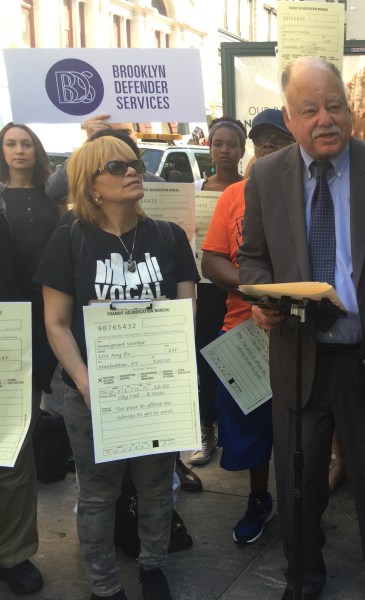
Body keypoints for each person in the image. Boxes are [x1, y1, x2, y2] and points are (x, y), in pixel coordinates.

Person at [237, 56, 365, 600]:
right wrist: (262, 302)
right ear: (289, 117)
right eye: (310, 109)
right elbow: (254, 260)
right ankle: (303, 580)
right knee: (299, 483)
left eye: (334, 105)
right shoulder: (262, 176)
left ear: (350, 110)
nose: (325, 118)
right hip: (299, 355)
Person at [36, 135, 198, 600]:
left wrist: (173, 376)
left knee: (155, 485)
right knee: (98, 491)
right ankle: (105, 585)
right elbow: (57, 324)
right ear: (91, 184)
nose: (134, 171)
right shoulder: (69, 238)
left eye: (135, 164)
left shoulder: (168, 237)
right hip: (92, 392)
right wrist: (88, 385)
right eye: (118, 166)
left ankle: (153, 566)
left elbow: (184, 314)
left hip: (155, 387)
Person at [200, 109, 294, 545]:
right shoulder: (233, 195)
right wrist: (259, 288)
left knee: (301, 427)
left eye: (278, 138)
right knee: (251, 429)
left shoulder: (309, 190)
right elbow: (212, 260)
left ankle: (303, 503)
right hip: (243, 329)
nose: (269, 146)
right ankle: (259, 498)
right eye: (262, 140)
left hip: (302, 329)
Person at [0, 121, 59, 596]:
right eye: (10, 143)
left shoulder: (51, 198)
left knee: (16, 450)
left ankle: (14, 553)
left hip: (25, 336)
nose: (19, 150)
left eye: (26, 143)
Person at [189, 117, 247, 467]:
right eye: (218, 144)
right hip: (203, 288)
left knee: (237, 361)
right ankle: (206, 430)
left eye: (232, 144)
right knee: (205, 359)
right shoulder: (193, 190)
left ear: (242, 150)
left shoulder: (250, 189)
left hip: (238, 292)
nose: (224, 150)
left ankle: (235, 433)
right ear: (209, 147)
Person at [45, 114, 162, 206]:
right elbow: (55, 192)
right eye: (109, 134)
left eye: (125, 133)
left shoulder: (159, 184)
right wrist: (90, 144)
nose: (119, 139)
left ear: (136, 135)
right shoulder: (74, 233)